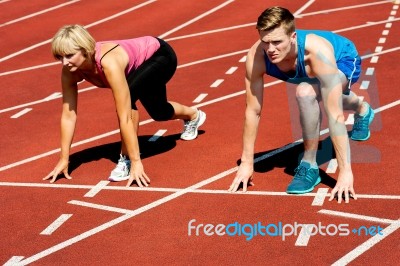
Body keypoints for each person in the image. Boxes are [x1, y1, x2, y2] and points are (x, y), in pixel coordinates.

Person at [228, 7, 374, 203]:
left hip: (342, 59)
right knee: (316, 91)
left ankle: (309, 163)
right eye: (265, 42)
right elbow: (253, 110)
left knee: (308, 93)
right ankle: (361, 108)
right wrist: (246, 163)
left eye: (277, 42)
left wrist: (345, 171)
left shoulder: (316, 52)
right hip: (306, 70)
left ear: (293, 37)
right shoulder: (257, 56)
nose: (270, 49)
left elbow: (335, 115)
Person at [44, 25, 206, 187]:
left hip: (160, 56)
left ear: (86, 50)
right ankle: (193, 115)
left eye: (70, 55)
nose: (64, 62)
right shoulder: (69, 71)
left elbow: (125, 115)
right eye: (60, 57)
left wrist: (136, 162)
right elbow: (68, 115)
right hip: (137, 68)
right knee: (159, 111)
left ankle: (126, 159)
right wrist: (64, 159)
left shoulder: (109, 63)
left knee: (129, 99)